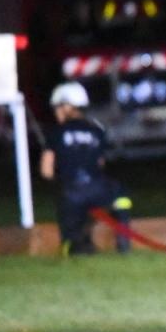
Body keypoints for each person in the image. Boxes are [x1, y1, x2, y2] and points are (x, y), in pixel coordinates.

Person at [39, 81, 133, 255]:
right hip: (99, 189)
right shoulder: (97, 131)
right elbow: (100, 163)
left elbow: (46, 171)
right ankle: (124, 242)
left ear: (68, 106)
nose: (56, 111)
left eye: (58, 107)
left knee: (72, 235)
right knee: (121, 195)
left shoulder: (55, 133)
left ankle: (72, 244)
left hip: (71, 194)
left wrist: (60, 183)